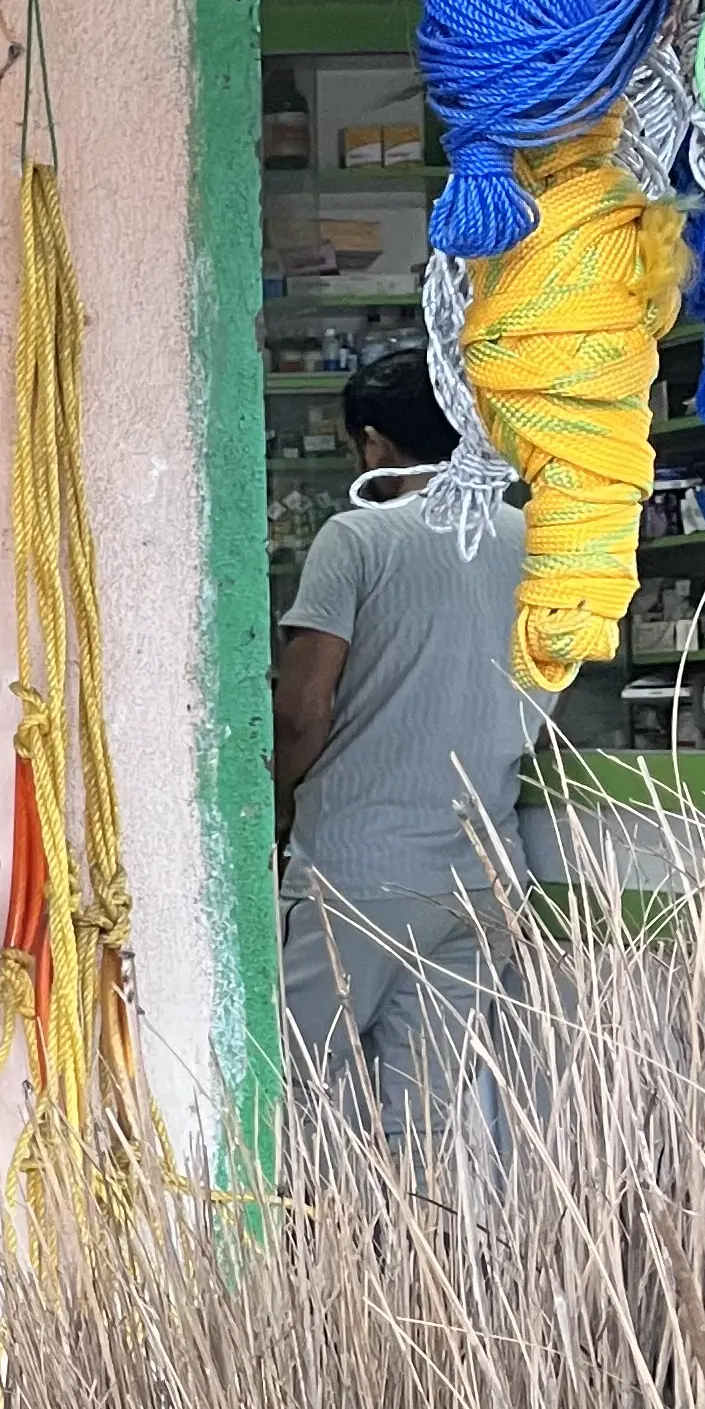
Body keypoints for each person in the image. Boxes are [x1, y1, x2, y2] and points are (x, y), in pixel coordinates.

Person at [270, 347, 544, 1143]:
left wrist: (280, 805)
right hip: (485, 872)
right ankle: (416, 1268)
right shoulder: (531, 538)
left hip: (357, 872)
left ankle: (298, 1266)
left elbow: (300, 710)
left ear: (374, 444)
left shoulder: (358, 538)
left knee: (291, 1091)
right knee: (423, 1120)